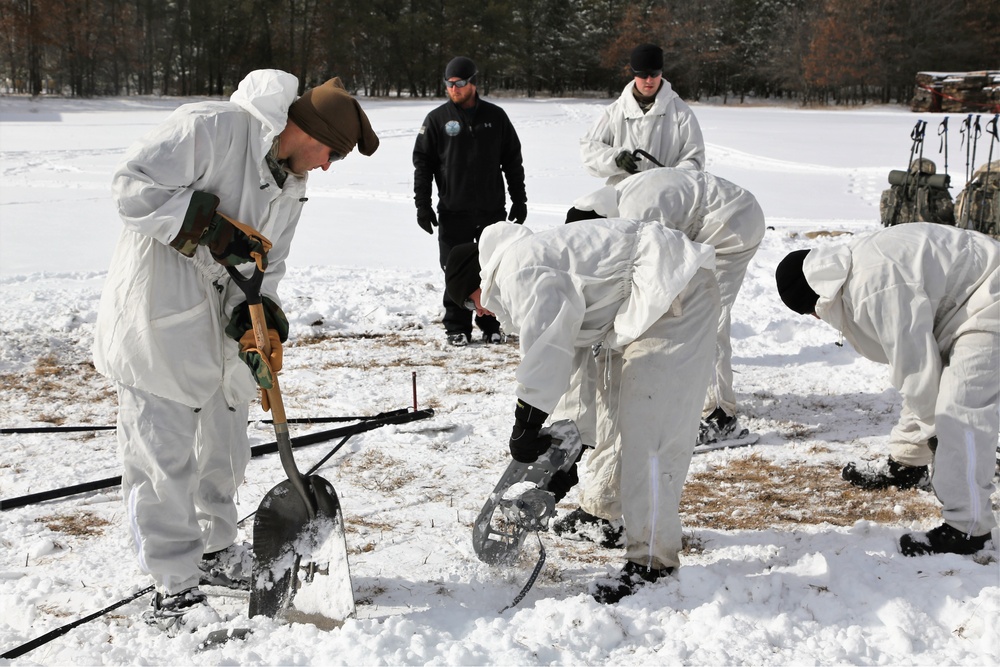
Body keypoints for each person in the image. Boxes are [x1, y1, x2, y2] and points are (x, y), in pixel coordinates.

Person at [92, 70, 379, 631]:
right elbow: (131, 187)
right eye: (329, 153)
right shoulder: (213, 129)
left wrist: (263, 316)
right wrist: (205, 226)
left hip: (219, 334)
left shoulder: (292, 186)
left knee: (225, 449)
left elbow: (266, 267)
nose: (325, 166)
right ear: (306, 128)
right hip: (157, 321)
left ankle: (217, 550)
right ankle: (173, 589)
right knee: (162, 461)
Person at [445, 218, 719, 602]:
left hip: (674, 294)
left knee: (651, 437)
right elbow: (575, 371)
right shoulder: (530, 266)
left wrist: (526, 421)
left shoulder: (521, 269)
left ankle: (653, 565)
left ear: (477, 280)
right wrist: (569, 455)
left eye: (471, 301)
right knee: (620, 419)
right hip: (655, 300)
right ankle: (619, 518)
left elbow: (548, 350)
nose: (479, 311)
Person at [774, 223, 999, 556]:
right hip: (965, 299)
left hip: (988, 299)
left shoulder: (873, 288)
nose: (818, 320)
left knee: (958, 413)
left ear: (816, 301)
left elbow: (917, 371)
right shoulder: (852, 266)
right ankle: (908, 463)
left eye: (811, 314)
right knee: (930, 389)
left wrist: (936, 432)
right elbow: (915, 364)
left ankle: (967, 530)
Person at [563, 168, 766, 446]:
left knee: (706, 317)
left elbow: (657, 276)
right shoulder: (618, 207)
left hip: (733, 226)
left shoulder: (637, 216)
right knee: (679, 311)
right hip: (702, 224)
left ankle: (720, 417)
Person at [413, 56, 527, 346]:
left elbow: (513, 161)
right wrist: (422, 205)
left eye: (460, 83)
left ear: (473, 83)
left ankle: (492, 323)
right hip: (453, 210)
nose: (454, 89)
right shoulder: (437, 120)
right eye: (449, 84)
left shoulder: (496, 117)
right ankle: (456, 326)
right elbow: (423, 166)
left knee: (493, 267)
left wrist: (519, 200)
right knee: (454, 270)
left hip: (491, 210)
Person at [580, 43, 704, 186]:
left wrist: (673, 180)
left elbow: (694, 159)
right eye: (643, 74)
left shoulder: (681, 112)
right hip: (623, 193)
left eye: (654, 73)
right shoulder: (616, 111)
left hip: (665, 197)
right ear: (634, 74)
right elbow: (589, 151)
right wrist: (616, 158)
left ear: (661, 72)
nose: (649, 80)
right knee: (578, 209)